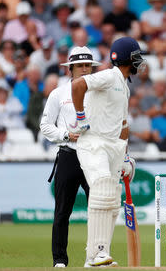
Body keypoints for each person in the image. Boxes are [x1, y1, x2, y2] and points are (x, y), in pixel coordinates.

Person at [70, 37, 145, 267]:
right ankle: (99, 252)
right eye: (135, 56)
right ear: (121, 58)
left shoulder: (123, 84)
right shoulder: (110, 75)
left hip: (113, 146)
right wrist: (80, 117)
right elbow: (77, 85)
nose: (139, 61)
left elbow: (123, 126)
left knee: (112, 200)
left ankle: (94, 256)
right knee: (102, 185)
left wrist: (126, 158)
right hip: (94, 142)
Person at [39, 46, 100, 268]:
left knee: (98, 209)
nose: (84, 69)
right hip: (68, 155)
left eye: (88, 65)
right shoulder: (58, 93)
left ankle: (94, 256)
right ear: (70, 69)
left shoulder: (100, 92)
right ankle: (59, 260)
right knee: (62, 210)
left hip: (94, 155)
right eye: (80, 66)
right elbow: (45, 125)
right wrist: (65, 134)